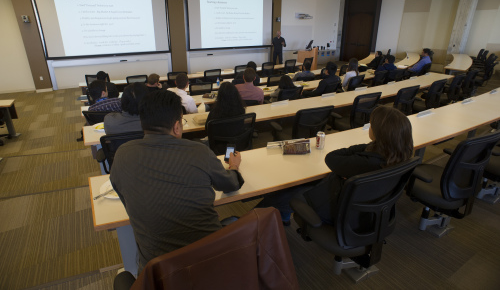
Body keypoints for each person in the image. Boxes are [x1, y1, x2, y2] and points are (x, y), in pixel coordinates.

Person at [110, 90, 244, 272]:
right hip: (210, 260)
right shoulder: (199, 152)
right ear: (176, 126)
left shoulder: (122, 155)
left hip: (158, 270)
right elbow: (231, 185)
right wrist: (234, 166)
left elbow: (127, 201)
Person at [256, 106, 413, 225]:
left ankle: (252, 219)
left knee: (282, 193)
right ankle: (282, 217)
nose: (369, 126)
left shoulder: (364, 161)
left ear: (379, 134)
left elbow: (332, 158)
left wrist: (368, 145)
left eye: (371, 125)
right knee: (311, 180)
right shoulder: (401, 155)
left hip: (337, 208)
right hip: (362, 208)